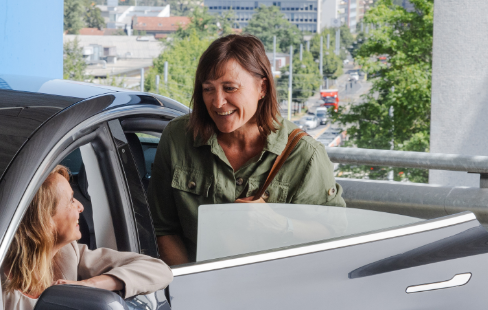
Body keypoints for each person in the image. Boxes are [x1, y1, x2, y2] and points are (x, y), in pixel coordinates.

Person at [148, 34, 347, 266]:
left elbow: (334, 232)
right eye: (208, 89)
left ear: (262, 87)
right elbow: (163, 228)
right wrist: (189, 289)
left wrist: (280, 224)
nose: (217, 102)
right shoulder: (178, 137)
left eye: (230, 88)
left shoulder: (306, 155)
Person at [1, 165, 172, 310]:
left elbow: (159, 270)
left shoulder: (70, 253)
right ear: (44, 220)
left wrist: (89, 285)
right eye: (71, 201)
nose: (81, 207)